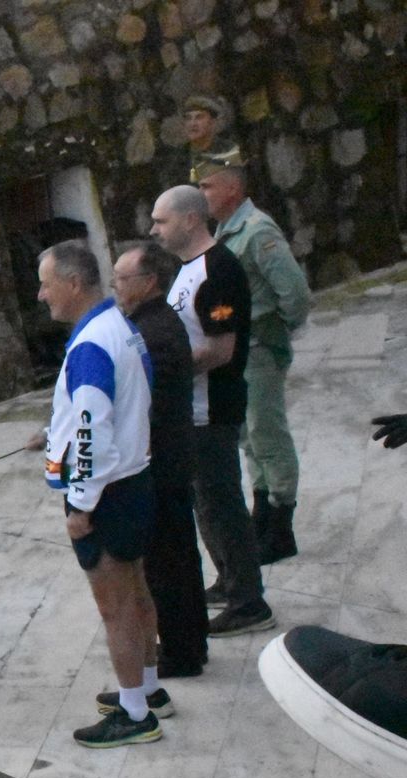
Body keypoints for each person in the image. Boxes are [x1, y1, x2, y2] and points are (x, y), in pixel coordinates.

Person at [35, 241, 161, 748]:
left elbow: (93, 432)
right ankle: (148, 689)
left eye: (46, 284)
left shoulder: (90, 345)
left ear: (73, 284)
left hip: (106, 494)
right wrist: (54, 433)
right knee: (137, 593)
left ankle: (135, 714)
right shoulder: (119, 327)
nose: (41, 295)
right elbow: (111, 407)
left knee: (116, 609)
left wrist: (81, 507)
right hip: (134, 481)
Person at [149, 185, 273, 637]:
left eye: (161, 221)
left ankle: (249, 602)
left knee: (222, 504)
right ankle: (229, 579)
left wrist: (162, 373)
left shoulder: (218, 270)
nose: (153, 230)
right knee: (206, 502)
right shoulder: (188, 269)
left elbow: (221, 350)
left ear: (190, 220)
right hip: (190, 411)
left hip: (212, 408)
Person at [199, 159, 311, 564]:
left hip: (259, 346)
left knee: (268, 432)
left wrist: (275, 334)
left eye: (208, 187)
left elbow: (295, 294)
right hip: (240, 350)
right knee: (249, 433)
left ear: (232, 189)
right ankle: (262, 513)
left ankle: (281, 525)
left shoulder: (257, 230)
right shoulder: (225, 231)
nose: (202, 195)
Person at [109, 242, 208, 682]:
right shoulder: (151, 323)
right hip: (168, 458)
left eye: (122, 278)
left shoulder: (152, 332)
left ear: (149, 282)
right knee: (177, 558)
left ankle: (182, 652)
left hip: (162, 463)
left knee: (168, 565)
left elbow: (140, 403)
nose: (115, 286)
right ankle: (190, 642)